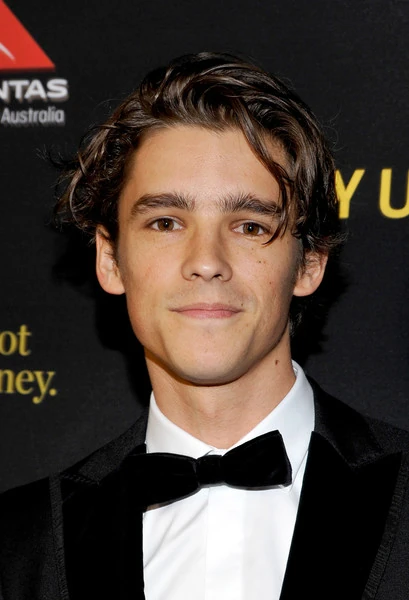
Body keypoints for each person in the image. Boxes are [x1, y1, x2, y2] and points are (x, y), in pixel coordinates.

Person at [1, 52, 409, 600]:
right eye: (166, 222)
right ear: (110, 259)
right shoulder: (18, 545)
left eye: (249, 226)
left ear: (309, 263)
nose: (207, 261)